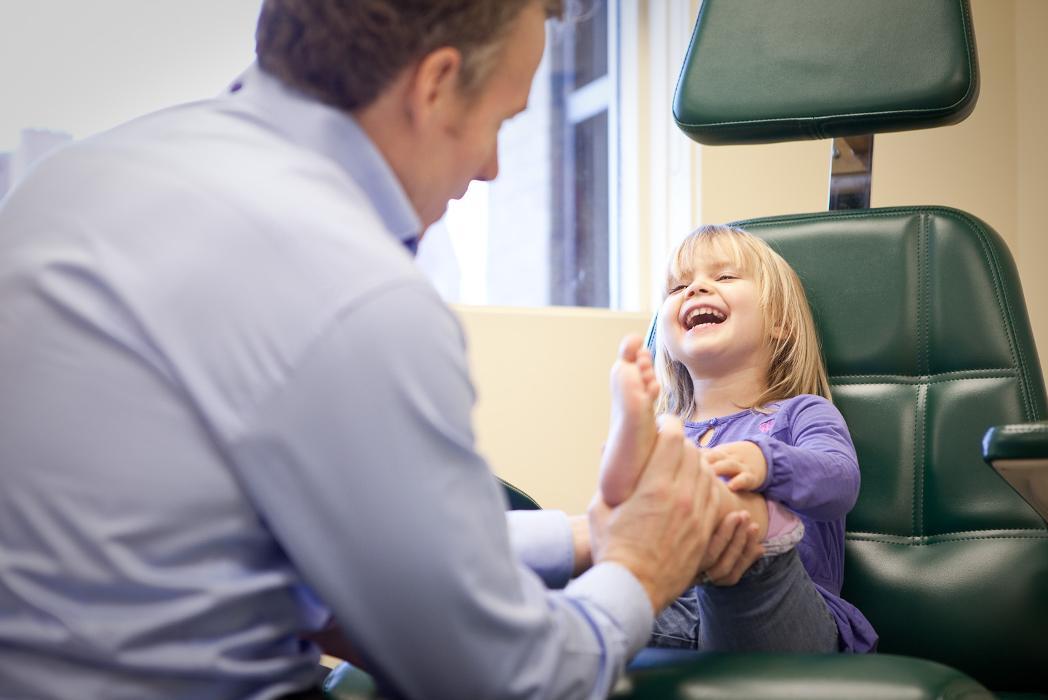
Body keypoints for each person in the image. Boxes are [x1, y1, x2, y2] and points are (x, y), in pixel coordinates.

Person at [0, 2, 763, 699]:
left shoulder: (69, 182)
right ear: (434, 85)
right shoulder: (353, 290)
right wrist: (640, 568)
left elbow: (305, 543)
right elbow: (512, 683)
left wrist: (585, 536)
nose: (492, 167)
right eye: (501, 121)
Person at [598, 224, 879, 652]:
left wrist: (765, 463)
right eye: (678, 286)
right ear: (667, 343)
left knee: (736, 524)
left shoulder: (801, 413)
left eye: (725, 277)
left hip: (782, 608)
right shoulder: (666, 432)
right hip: (677, 608)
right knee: (582, 583)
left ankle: (735, 513)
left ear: (781, 323)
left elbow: (841, 482)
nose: (696, 290)